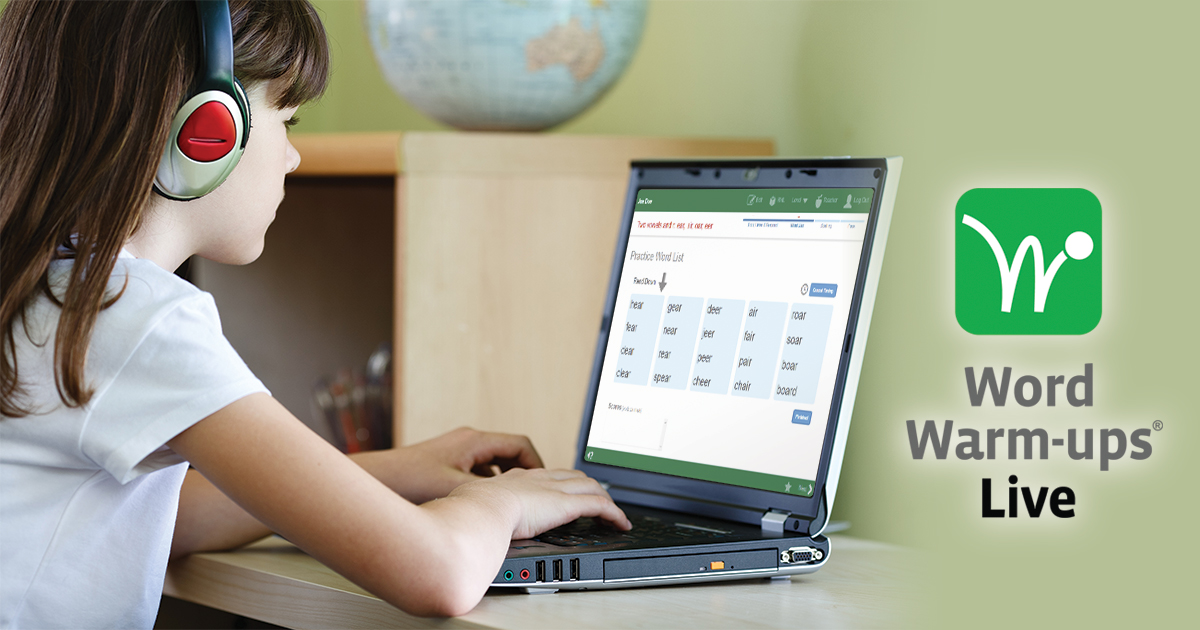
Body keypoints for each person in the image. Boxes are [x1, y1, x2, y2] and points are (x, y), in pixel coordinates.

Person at [0, 1, 629, 626]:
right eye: (289, 120)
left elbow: (165, 514)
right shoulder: (130, 317)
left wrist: (387, 473)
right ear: (208, 131)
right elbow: (438, 571)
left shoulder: (44, 288)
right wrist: (503, 502)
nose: (293, 157)